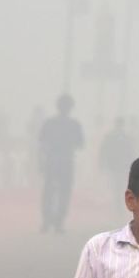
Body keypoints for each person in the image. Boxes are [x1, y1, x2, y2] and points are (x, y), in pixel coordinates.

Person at [39, 94, 84, 234]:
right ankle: (59, 222)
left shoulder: (49, 123)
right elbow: (80, 143)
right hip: (66, 161)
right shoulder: (74, 124)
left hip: (51, 161)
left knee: (48, 191)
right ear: (70, 108)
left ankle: (46, 221)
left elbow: (41, 141)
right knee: (64, 192)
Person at [98, 118, 136, 187]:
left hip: (120, 162)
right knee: (116, 181)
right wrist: (102, 161)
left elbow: (130, 150)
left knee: (118, 181)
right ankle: (116, 194)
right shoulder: (113, 136)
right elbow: (104, 149)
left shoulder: (124, 136)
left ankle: (117, 193)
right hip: (115, 162)